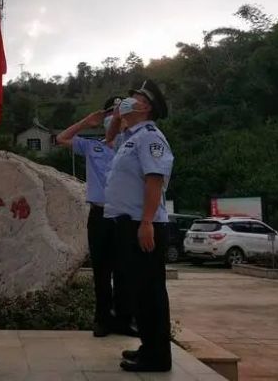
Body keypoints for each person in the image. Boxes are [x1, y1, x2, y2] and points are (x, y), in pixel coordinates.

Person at [104, 79, 174, 372]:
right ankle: (149, 347)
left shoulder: (150, 137)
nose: (128, 99)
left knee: (150, 291)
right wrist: (118, 117)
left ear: (145, 106)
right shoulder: (129, 136)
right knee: (138, 290)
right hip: (128, 223)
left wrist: (146, 222)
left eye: (135, 97)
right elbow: (109, 138)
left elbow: (154, 179)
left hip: (143, 224)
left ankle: (157, 357)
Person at [56, 96, 136, 338]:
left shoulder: (131, 144)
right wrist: (84, 122)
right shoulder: (94, 147)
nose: (115, 117)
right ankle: (102, 319)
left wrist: (127, 124)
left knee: (124, 270)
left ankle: (124, 319)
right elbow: (61, 139)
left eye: (119, 112)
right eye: (111, 113)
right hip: (100, 214)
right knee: (101, 271)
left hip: (124, 216)